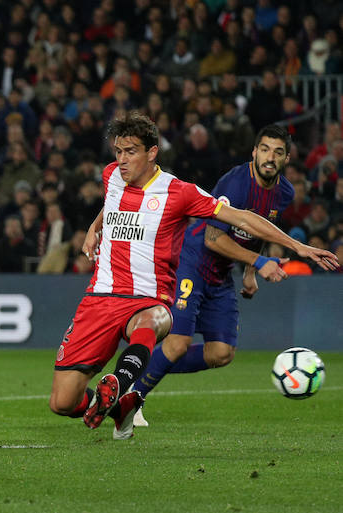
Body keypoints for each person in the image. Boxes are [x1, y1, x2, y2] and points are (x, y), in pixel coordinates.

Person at [48, 112, 338, 442]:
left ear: (152, 152)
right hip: (99, 296)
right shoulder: (111, 175)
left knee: (160, 323)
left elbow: (242, 218)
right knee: (62, 402)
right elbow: (111, 203)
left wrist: (297, 247)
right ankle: (120, 407)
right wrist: (93, 227)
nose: (122, 159)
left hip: (148, 296)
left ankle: (124, 382)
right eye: (118, 151)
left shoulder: (179, 192)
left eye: (130, 151)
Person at [131, 125, 295, 427]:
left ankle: (137, 366)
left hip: (221, 275)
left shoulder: (284, 193)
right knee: (178, 343)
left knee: (221, 353)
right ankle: (133, 395)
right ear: (254, 152)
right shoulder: (235, 183)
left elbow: (257, 230)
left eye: (278, 152)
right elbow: (213, 238)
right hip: (193, 262)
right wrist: (259, 263)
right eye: (265, 149)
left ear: (286, 159)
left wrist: (249, 273)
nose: (270, 157)